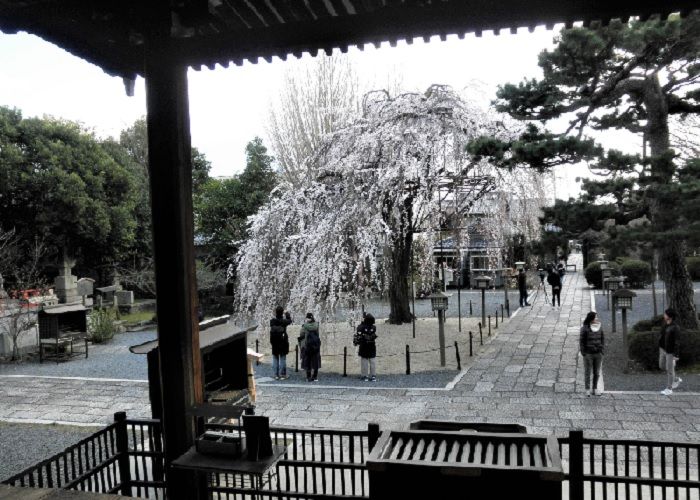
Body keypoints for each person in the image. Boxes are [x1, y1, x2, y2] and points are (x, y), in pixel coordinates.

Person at [579, 311, 604, 396]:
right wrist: (583, 353)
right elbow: (581, 341)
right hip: (588, 354)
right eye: (595, 317)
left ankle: (595, 388)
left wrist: (602, 350)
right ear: (591, 318)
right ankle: (587, 389)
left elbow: (602, 339)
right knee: (587, 372)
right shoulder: (585, 328)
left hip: (598, 353)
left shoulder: (599, 327)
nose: (596, 318)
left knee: (596, 372)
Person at [659, 308, 681, 395]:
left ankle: (669, 389)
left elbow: (677, 342)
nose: (664, 315)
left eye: (665, 314)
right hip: (662, 349)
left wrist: (676, 355)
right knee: (661, 366)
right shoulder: (665, 324)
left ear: (670, 316)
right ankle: (675, 379)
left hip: (670, 351)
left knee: (670, 370)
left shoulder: (675, 328)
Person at [269, 306, 292, 380]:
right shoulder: (284, 321)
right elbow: (290, 320)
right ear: (282, 313)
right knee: (282, 358)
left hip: (275, 342)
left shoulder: (272, 321)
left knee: (275, 358)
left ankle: (276, 375)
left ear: (276, 312)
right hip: (283, 342)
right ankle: (282, 375)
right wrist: (286, 313)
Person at [353, 313, 378, 381]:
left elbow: (358, 335)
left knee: (364, 361)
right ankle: (373, 376)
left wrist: (355, 342)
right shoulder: (374, 327)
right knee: (372, 361)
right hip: (372, 345)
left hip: (364, 345)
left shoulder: (361, 326)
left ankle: (364, 376)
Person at [299, 312, 321, 382]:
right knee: (315, 361)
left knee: (308, 361)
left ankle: (308, 377)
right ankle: (315, 377)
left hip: (307, 346)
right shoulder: (316, 325)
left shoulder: (305, 326)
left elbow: (301, 334)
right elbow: (318, 334)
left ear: (307, 318)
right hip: (315, 346)